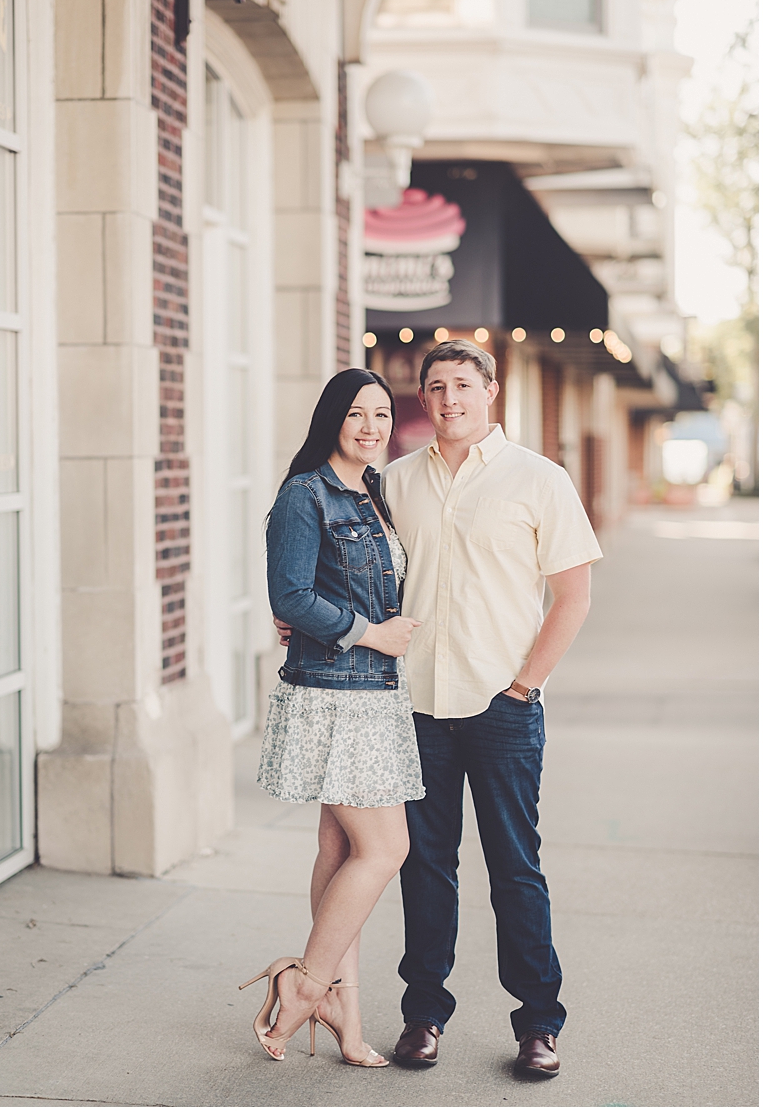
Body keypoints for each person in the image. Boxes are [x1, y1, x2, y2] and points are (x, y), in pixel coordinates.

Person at [383, 339, 601, 1078]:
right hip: (415, 705)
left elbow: (573, 595)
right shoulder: (395, 482)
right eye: (436, 387)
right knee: (425, 868)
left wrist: (525, 684)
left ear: (492, 390)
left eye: (462, 385)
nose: (449, 399)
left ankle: (539, 1023)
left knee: (515, 868)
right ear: (424, 398)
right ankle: (422, 1016)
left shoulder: (538, 480)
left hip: (501, 705)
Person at [242, 368, 424, 1067]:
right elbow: (288, 592)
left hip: (374, 693)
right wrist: (368, 632)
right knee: (385, 849)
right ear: (332, 419)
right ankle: (303, 984)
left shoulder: (373, 491)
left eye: (381, 414)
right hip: (336, 692)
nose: (371, 426)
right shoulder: (305, 493)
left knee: (344, 851)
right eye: (356, 413)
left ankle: (346, 1017)